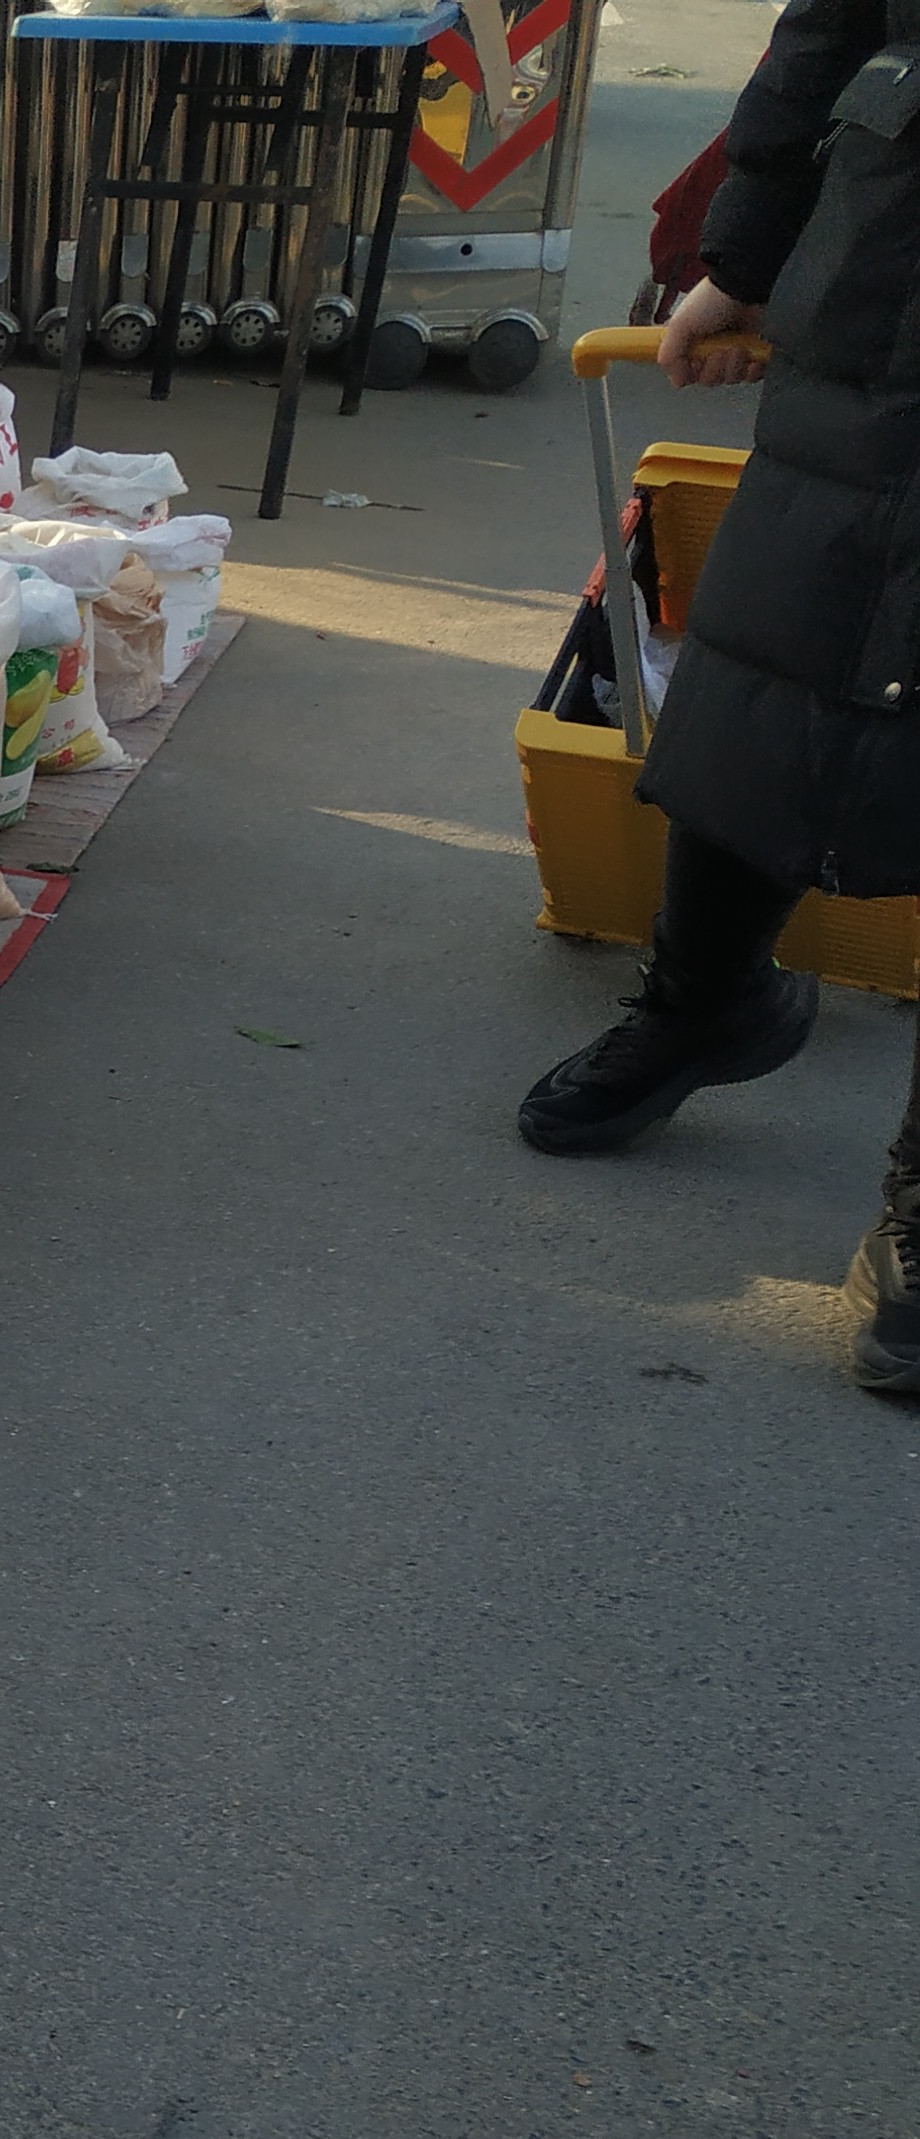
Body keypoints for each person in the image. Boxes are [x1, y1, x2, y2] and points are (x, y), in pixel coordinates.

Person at [511, 0, 919, 1395]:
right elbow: (826, 29)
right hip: (886, 271)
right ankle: (703, 1004)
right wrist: (740, 258)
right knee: (768, 668)